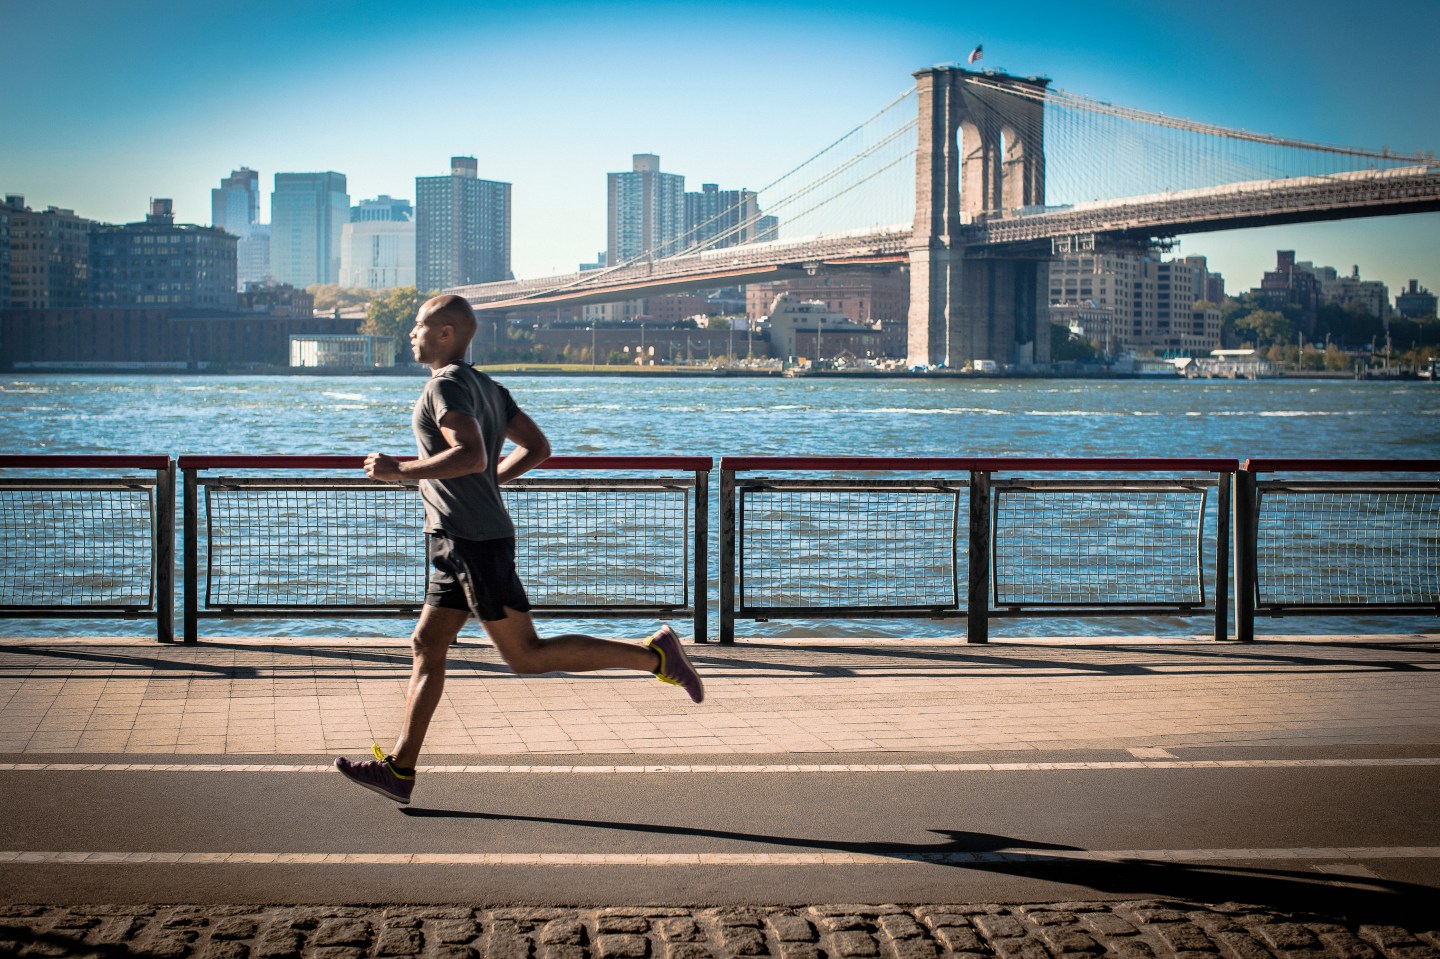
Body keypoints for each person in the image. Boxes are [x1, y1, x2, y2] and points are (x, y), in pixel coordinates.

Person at [335, 294, 703, 804]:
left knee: (525, 656)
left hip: (472, 541)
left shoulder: (445, 386)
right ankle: (400, 769)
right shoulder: (487, 386)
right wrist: (490, 481)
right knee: (427, 645)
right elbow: (537, 448)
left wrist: (399, 471)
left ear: (446, 333)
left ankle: (653, 656)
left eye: (419, 326)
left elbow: (469, 454)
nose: (411, 335)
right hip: (460, 538)